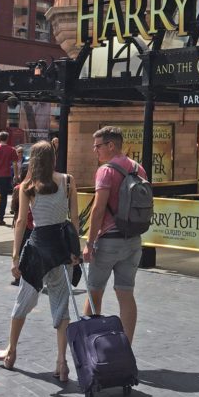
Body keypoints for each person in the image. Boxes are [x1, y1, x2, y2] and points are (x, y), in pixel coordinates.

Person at [0, 141, 79, 381]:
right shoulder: (69, 181)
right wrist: (76, 250)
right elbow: (74, 219)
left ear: (33, 160)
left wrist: (14, 256)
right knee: (61, 307)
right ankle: (62, 363)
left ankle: (11, 351)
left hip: (37, 249)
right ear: (53, 158)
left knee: (23, 302)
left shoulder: (27, 186)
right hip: (61, 250)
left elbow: (21, 222)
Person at [82, 126, 146, 342]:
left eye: (98, 146)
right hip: (133, 240)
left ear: (111, 145)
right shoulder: (139, 169)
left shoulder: (106, 170)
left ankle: (90, 346)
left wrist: (89, 244)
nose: (95, 151)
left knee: (94, 292)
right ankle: (126, 347)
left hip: (108, 241)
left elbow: (98, 209)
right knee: (126, 293)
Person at [0, 131, 20, 226]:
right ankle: (0, 218)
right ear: (7, 138)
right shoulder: (12, 149)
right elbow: (15, 163)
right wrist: (16, 175)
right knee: (3, 197)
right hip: (6, 175)